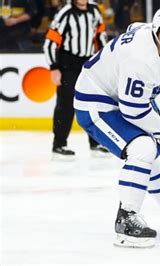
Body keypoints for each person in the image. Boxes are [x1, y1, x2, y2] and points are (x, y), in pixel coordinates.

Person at [73, 4, 160, 248]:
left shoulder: (150, 35)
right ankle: (126, 219)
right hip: (95, 104)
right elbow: (133, 108)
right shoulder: (141, 59)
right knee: (143, 148)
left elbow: (134, 29)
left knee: (151, 153)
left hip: (117, 99)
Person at [43, 0, 110, 160]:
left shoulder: (94, 10)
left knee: (93, 103)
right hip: (68, 65)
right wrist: (54, 67)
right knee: (66, 105)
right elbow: (50, 42)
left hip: (88, 64)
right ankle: (59, 144)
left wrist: (104, 61)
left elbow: (100, 37)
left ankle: (96, 142)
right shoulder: (65, 12)